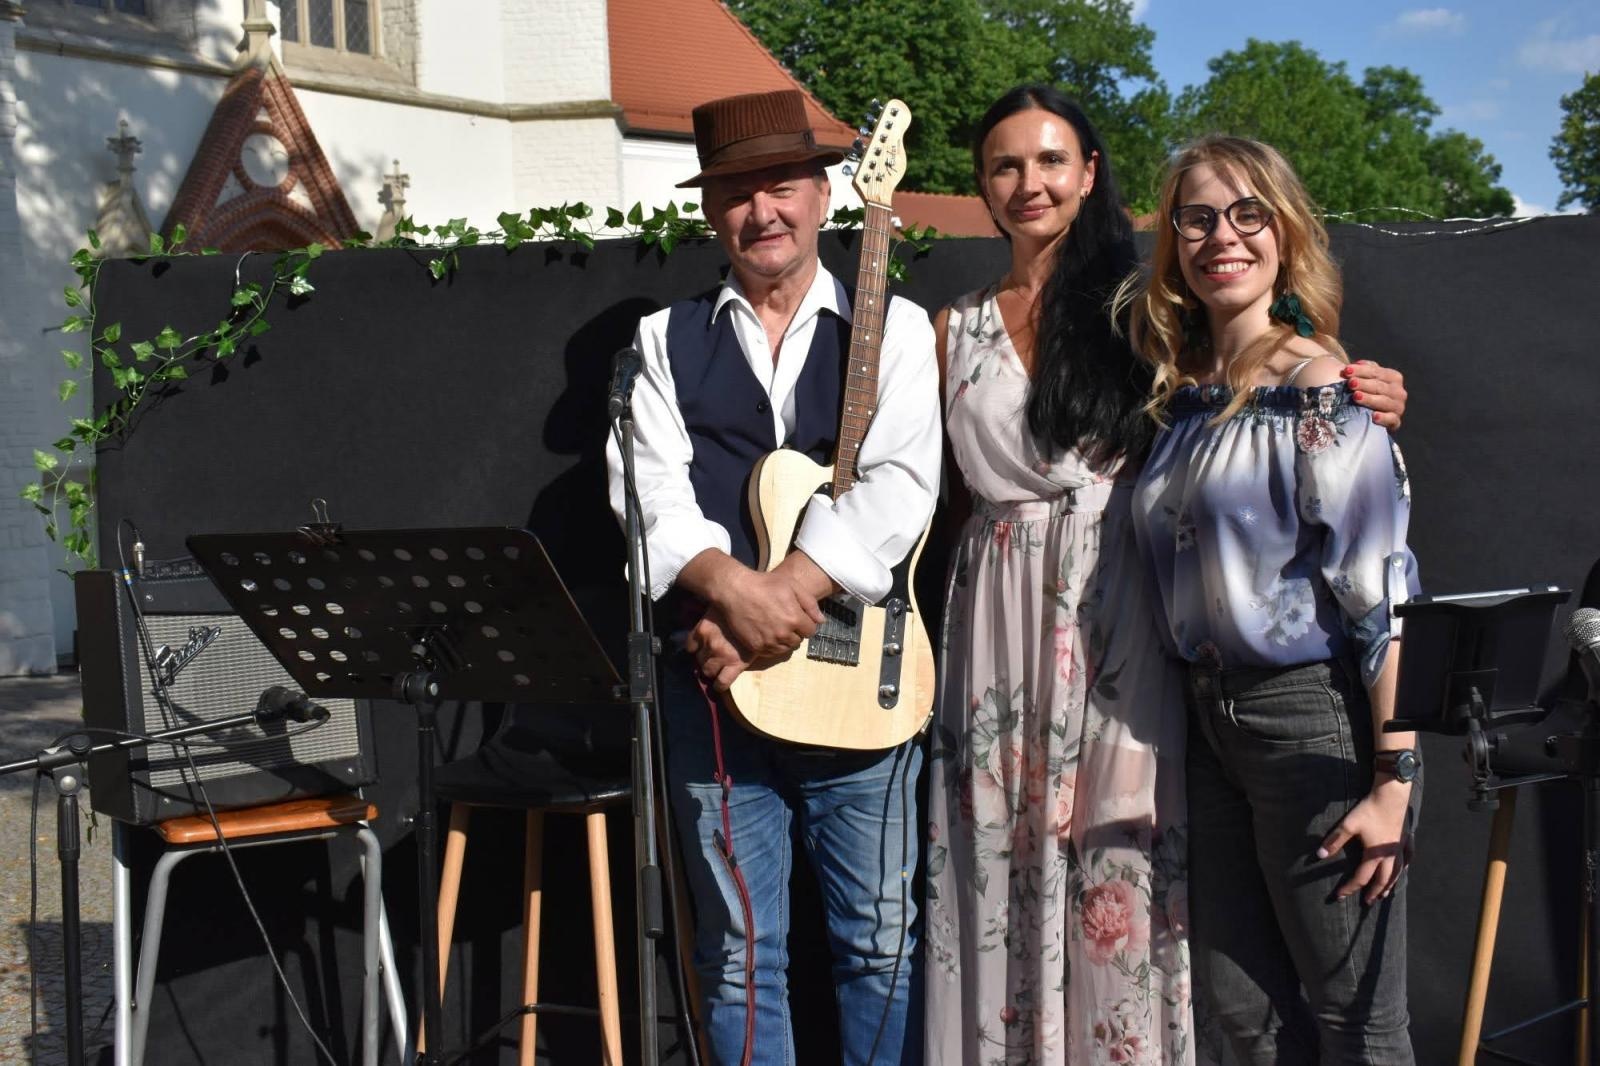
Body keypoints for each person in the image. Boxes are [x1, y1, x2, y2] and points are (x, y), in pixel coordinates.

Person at [922, 87, 1410, 1066]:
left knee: (1159, 899)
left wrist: (1362, 392)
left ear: (1089, 173)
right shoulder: (962, 328)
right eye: (1005, 164)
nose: (1029, 182)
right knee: (1236, 1000)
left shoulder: (1142, 319)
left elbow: (1371, 563)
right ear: (979, 184)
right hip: (1014, 638)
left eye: (1051, 160)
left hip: (1145, 644)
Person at [605, 89, 941, 1065]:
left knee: (878, 945)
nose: (763, 210)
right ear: (712, 211)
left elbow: (901, 484)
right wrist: (735, 595)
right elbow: (649, 495)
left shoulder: (897, 329)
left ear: (825, 193)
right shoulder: (662, 342)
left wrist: (781, 598)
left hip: (860, 687)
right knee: (738, 956)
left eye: (782, 185)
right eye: (737, 192)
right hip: (714, 687)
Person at [1124, 135, 1420, 1064]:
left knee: (1357, 1021)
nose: (1224, 236)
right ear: (1174, 241)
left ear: (1285, 232)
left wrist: (1395, 780)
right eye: (1198, 218)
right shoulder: (1181, 393)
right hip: (1205, 728)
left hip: (1309, 724)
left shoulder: (1324, 391)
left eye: (1248, 213)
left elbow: (1383, 593)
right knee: (1242, 1020)